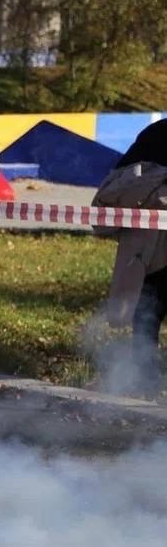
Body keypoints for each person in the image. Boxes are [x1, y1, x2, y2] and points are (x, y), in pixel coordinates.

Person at [94, 119, 167, 397]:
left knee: (147, 318)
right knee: (147, 318)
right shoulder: (157, 134)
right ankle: (145, 387)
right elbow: (116, 185)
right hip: (149, 252)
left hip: (147, 252)